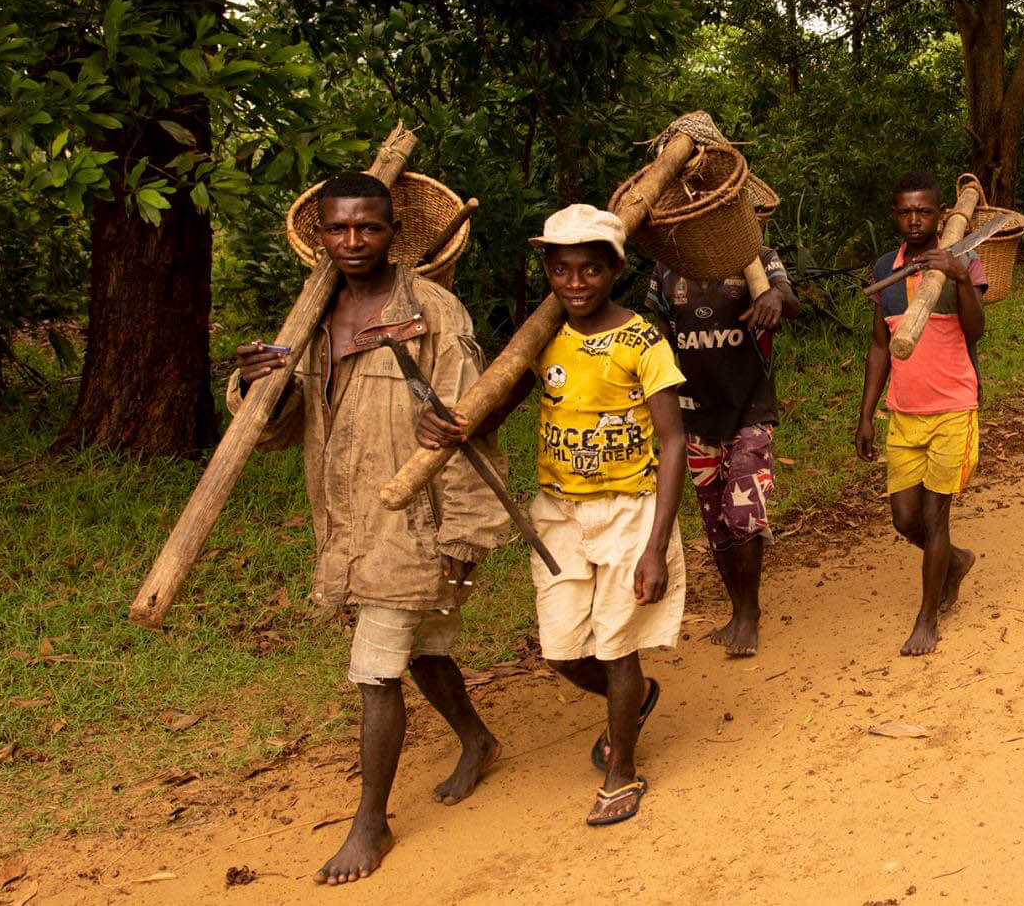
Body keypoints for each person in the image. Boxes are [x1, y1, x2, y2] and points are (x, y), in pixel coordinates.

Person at [229, 171, 512, 886]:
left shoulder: (433, 312)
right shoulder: (309, 319)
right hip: (348, 521)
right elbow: (278, 433)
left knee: (376, 667)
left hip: (421, 521)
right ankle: (478, 740)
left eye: (369, 227)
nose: (353, 241)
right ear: (318, 235)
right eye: (338, 228)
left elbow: (473, 422)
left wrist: (462, 537)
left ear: (395, 234)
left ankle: (370, 824)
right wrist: (261, 383)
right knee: (422, 653)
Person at [418, 203, 686, 827]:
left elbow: (673, 441)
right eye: (562, 270)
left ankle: (622, 771)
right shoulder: (541, 338)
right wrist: (450, 422)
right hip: (559, 513)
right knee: (564, 650)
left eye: (590, 270)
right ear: (547, 269)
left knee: (618, 644)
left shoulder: (641, 340)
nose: (575, 283)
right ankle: (637, 699)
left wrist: (654, 546)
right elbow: (497, 405)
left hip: (628, 512)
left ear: (614, 269)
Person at [854, 171, 988, 656]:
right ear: (895, 215)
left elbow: (976, 331)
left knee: (934, 514)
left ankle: (927, 616)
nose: (914, 220)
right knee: (904, 518)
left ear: (940, 215)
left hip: (953, 408)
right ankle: (953, 562)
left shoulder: (963, 261)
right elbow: (879, 345)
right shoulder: (886, 269)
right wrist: (866, 415)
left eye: (924, 211)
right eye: (905, 211)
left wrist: (956, 277)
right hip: (905, 413)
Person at [643, 247, 799, 657]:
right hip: (694, 414)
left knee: (743, 515)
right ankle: (738, 609)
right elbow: (657, 333)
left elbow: (790, 301)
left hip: (751, 410)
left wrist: (775, 297)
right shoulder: (667, 269)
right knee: (716, 523)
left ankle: (750, 615)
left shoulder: (756, 259)